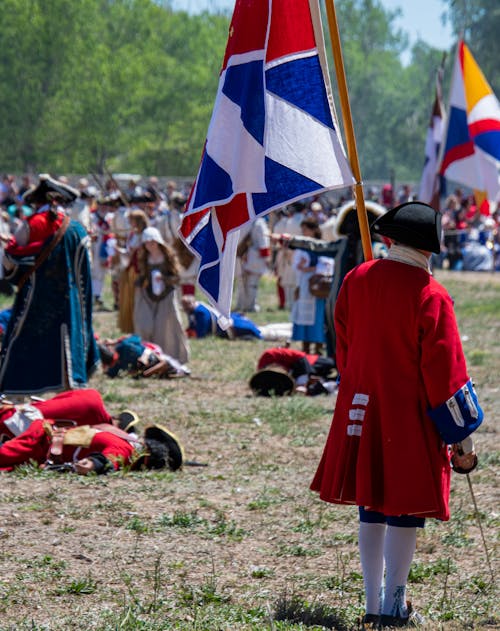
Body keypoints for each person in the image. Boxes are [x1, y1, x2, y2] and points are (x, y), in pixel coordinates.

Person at [310, 202, 484, 628]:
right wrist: (464, 441)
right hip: (409, 415)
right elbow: (445, 375)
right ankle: (393, 606)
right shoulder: (433, 294)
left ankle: (373, 605)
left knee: (370, 502)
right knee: (403, 508)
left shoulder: (356, 278)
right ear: (432, 248)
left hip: (361, 405)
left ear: (389, 239)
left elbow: (343, 344)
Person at [0, 175, 99, 396]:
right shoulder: (78, 229)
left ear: (37, 201)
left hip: (34, 298)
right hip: (70, 299)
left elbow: (10, 261)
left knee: (27, 340)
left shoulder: (31, 224)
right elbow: (86, 268)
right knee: (66, 340)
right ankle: (69, 388)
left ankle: (20, 390)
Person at [0, 388, 184, 474]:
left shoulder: (125, 448)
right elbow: (105, 461)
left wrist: (92, 465)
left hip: (39, 443)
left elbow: (104, 462)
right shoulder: (126, 446)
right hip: (39, 438)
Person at [133, 226, 189, 364]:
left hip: (167, 296)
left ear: (158, 242)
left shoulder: (167, 257)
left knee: (165, 327)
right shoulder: (145, 257)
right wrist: (140, 282)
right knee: (145, 324)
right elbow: (143, 274)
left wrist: (163, 278)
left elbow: (177, 277)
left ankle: (171, 356)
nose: (149, 245)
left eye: (152, 242)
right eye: (146, 242)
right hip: (149, 296)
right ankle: (149, 354)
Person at [290, 219, 328, 355]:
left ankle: (318, 348)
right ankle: (305, 348)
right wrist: (301, 267)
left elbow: (328, 264)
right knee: (304, 317)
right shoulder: (302, 246)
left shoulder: (322, 245)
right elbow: (295, 265)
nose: (304, 232)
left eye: (306, 229)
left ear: (313, 230)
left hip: (318, 287)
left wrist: (312, 267)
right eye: (303, 230)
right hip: (304, 285)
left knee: (318, 319)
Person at [249, 346, 337, 396]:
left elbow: (300, 357)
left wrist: (304, 380)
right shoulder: (262, 377)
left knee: (334, 364)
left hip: (311, 362)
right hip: (300, 373)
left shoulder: (271, 355)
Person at [97, 334, 190, 379]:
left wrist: (116, 341)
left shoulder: (125, 346)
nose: (117, 362)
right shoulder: (114, 366)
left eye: (116, 359)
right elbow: (111, 374)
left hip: (151, 351)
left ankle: (180, 371)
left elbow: (137, 339)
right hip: (148, 365)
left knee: (153, 363)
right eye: (114, 363)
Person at [181, 296, 262, 340]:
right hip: (225, 324)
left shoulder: (200, 312)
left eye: (186, 306)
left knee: (255, 332)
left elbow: (201, 333)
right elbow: (193, 326)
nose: (185, 309)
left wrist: (189, 335)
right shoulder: (194, 310)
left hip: (228, 328)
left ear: (191, 303)